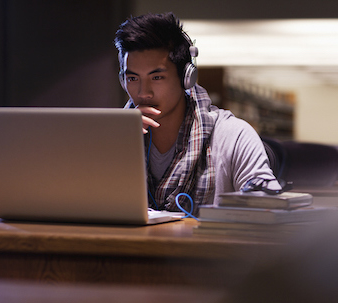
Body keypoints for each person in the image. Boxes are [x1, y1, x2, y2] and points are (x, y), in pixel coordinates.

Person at [114, 12, 280, 215]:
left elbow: (268, 209)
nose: (143, 93)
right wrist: (118, 146)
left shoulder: (233, 136)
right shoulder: (113, 137)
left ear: (187, 78)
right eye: (133, 79)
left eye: (157, 77)